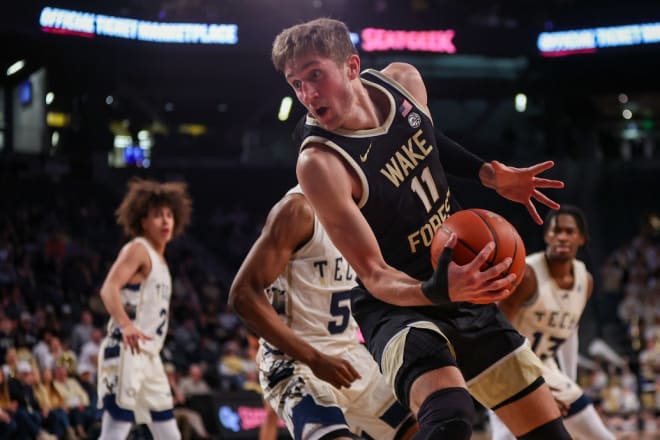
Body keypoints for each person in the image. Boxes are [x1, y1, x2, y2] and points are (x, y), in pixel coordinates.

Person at [272, 18, 570, 440]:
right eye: (296, 83)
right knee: (449, 415)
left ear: (352, 66)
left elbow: (428, 140)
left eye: (315, 75)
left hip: (460, 285)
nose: (308, 94)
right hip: (399, 305)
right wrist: (437, 290)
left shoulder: (403, 82)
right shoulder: (320, 163)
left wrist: (489, 174)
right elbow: (374, 273)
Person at [229, 186, 417, 440]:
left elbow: (383, 281)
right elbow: (242, 294)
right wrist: (315, 358)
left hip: (351, 356)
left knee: (429, 428)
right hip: (297, 363)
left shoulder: (365, 215)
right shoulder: (298, 211)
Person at [489, 205, 615, 439]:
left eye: (569, 231)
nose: (562, 237)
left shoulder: (584, 281)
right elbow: (496, 335)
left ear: (582, 238)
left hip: (546, 369)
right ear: (547, 235)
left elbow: (570, 333)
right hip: (507, 371)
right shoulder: (526, 274)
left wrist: (568, 380)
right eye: (556, 231)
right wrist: (537, 392)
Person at [97, 178, 192, 440]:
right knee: (115, 431)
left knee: (169, 433)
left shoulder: (161, 259)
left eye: (169, 215)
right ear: (143, 221)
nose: (166, 222)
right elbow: (108, 288)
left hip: (150, 356)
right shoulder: (138, 249)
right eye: (158, 216)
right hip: (126, 351)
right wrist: (126, 325)